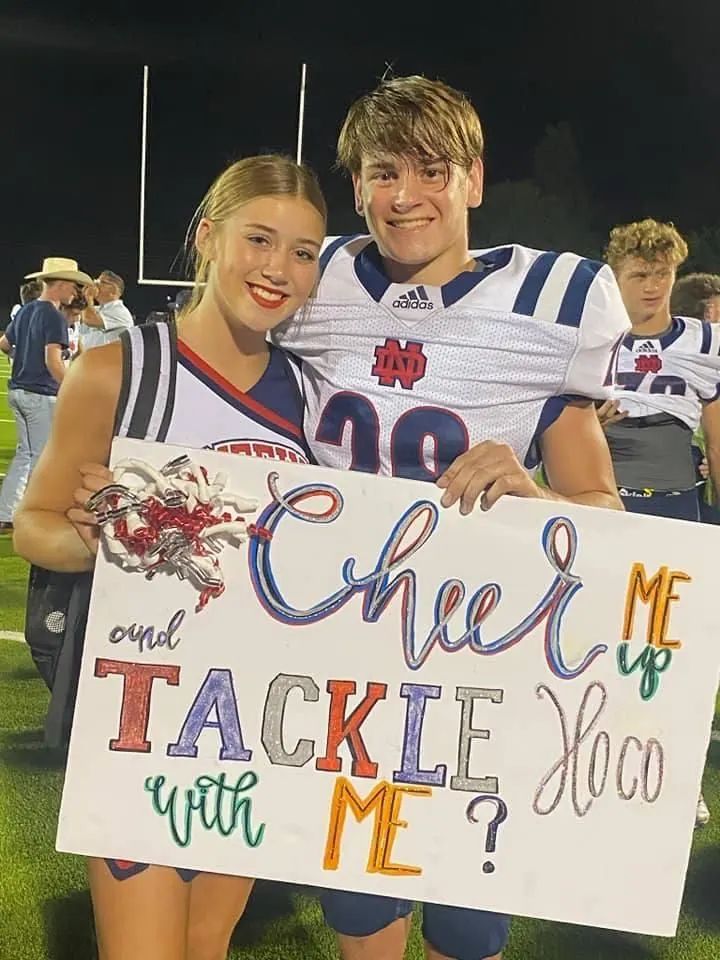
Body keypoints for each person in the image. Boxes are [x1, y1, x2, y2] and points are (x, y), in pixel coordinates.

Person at [272, 75, 628, 960]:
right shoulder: (316, 283)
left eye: (431, 170)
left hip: (477, 647)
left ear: (473, 178)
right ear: (355, 185)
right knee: (358, 898)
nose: (404, 196)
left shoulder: (558, 303)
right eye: (382, 172)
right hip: (342, 643)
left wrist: (536, 495)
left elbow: (603, 510)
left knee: (467, 914)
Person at [13, 154, 327, 960]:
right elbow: (34, 525)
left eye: (303, 252)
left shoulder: (314, 394)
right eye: (260, 239)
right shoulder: (123, 366)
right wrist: (100, 538)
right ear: (207, 237)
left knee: (203, 948)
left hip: (257, 717)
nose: (279, 269)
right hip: (138, 714)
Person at [602, 218, 720, 829]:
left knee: (675, 646)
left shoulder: (704, 342)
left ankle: (682, 776)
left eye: (663, 273)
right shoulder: (591, 337)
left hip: (677, 498)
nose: (653, 286)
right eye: (639, 274)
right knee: (600, 639)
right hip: (605, 498)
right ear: (616, 276)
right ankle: (595, 765)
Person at [0, 257, 93, 533]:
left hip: (18, 390)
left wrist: (24, 360)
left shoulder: (27, 310)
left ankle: (7, 512)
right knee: (42, 457)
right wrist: (72, 389)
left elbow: (5, 344)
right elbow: (53, 360)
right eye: (74, 287)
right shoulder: (53, 315)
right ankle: (33, 515)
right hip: (41, 394)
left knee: (25, 454)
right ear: (62, 284)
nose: (75, 293)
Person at [77, 269, 134, 350]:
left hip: (107, 360)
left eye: (101, 282)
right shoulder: (95, 309)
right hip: (88, 359)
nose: (95, 285)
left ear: (113, 290)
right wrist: (81, 296)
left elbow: (89, 319)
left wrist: (88, 297)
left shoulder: (120, 311)